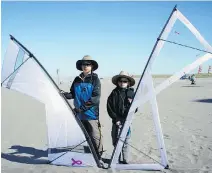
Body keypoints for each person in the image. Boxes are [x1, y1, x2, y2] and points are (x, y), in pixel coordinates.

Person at [61, 55, 104, 167]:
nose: (85, 66)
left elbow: (95, 98)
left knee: (95, 136)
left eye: (88, 64)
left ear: (92, 66)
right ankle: (88, 155)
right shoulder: (76, 79)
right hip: (79, 115)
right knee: (83, 136)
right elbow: (72, 94)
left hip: (91, 114)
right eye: (84, 64)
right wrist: (64, 94)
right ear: (81, 66)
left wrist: (82, 108)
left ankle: (99, 157)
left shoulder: (95, 80)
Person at [107, 71, 136, 164]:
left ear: (128, 83)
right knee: (115, 139)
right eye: (120, 81)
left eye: (125, 81)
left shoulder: (131, 93)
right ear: (117, 82)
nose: (122, 83)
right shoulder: (114, 93)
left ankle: (126, 159)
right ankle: (117, 159)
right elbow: (109, 107)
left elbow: (135, 109)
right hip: (116, 121)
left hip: (127, 121)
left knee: (126, 141)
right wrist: (116, 119)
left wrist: (131, 102)